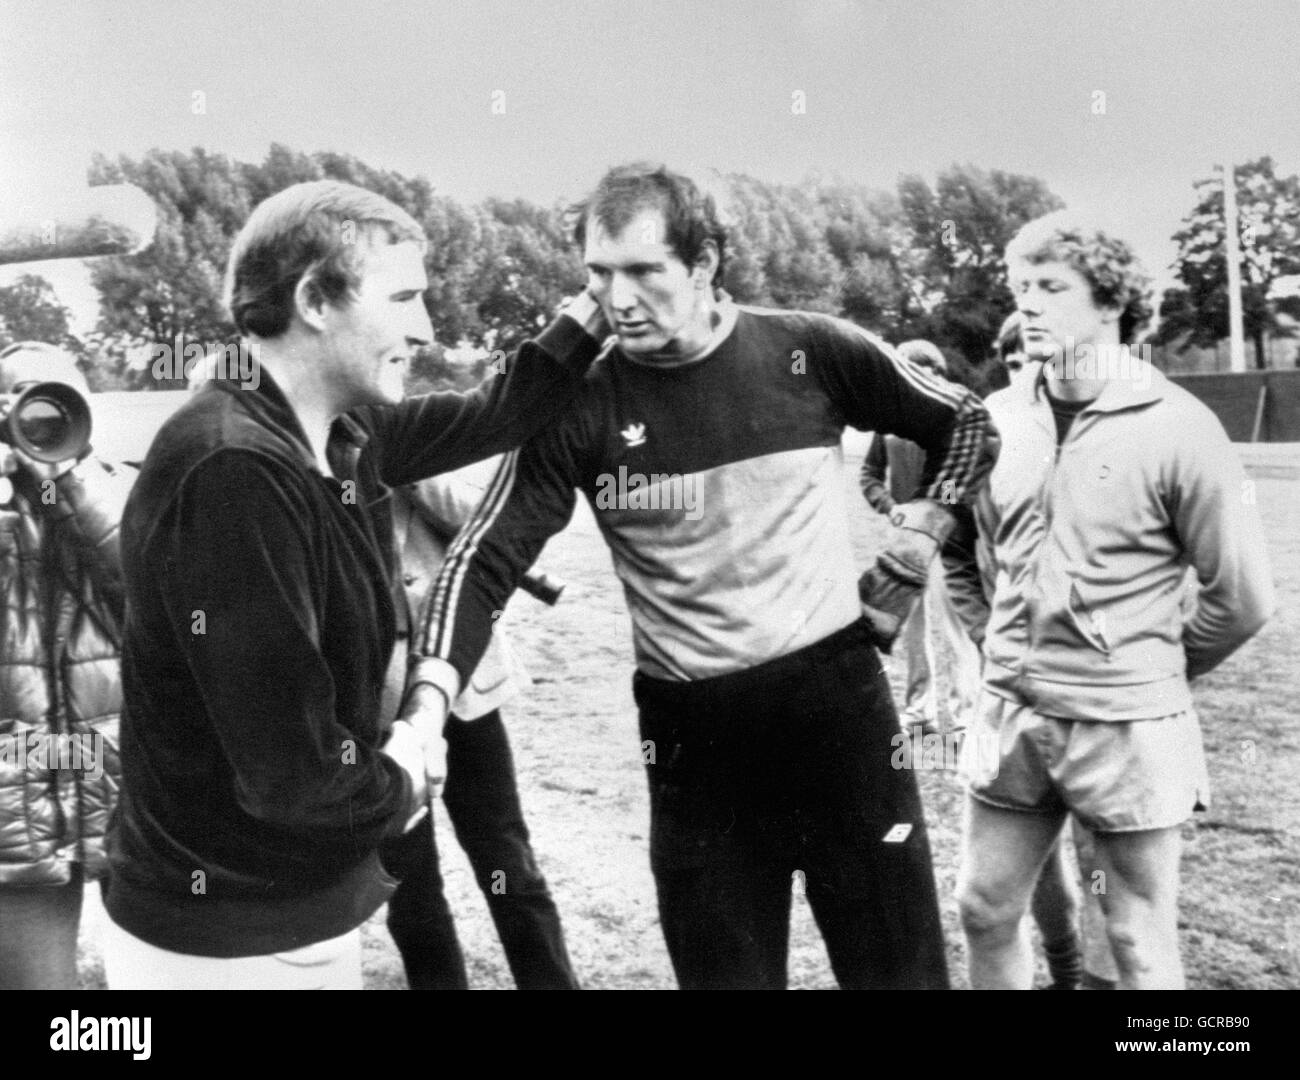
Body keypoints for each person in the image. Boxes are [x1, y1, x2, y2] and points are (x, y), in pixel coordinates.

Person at [407, 163, 999, 989]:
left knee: (900, 978)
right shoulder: (579, 402)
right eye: (597, 275)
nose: (617, 300)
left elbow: (966, 423)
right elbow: (483, 559)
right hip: (695, 744)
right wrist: (429, 706)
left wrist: (918, 542)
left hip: (839, 720)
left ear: (706, 262)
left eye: (644, 271)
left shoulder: (811, 349)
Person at [101, 179, 609, 989]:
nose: (427, 327)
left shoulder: (343, 432)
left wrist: (597, 307)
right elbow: (298, 782)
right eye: (403, 297)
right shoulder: (234, 469)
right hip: (224, 941)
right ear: (313, 299)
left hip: (286, 912)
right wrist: (410, 759)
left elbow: (498, 412)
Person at [946, 210, 1275, 990]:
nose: (1026, 303)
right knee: (983, 908)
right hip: (1013, 716)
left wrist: (1144, 669)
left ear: (1110, 305)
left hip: (1128, 725)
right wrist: (996, 645)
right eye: (1020, 286)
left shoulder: (1181, 428)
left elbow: (1244, 597)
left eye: (1051, 287)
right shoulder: (993, 421)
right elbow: (955, 551)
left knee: (1134, 939)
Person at [379, 466, 579, 990]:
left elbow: (484, 523)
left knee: (508, 861)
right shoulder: (304, 458)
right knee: (409, 884)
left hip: (463, 691)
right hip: (375, 710)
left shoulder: (413, 439)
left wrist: (407, 466)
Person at [0, 340, 133, 990]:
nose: (36, 420)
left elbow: (155, 597)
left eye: (54, 401)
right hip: (15, 801)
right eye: (18, 404)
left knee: (160, 980)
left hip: (126, 782)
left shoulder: (122, 483)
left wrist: (71, 481)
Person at [860, 339, 982, 737]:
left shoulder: (958, 422)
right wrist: (889, 505)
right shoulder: (888, 425)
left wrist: (939, 509)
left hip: (950, 544)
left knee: (958, 631)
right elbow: (869, 476)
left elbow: (966, 481)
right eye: (908, 374)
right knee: (912, 634)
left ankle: (966, 718)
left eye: (926, 375)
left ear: (939, 377)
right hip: (906, 544)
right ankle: (918, 714)